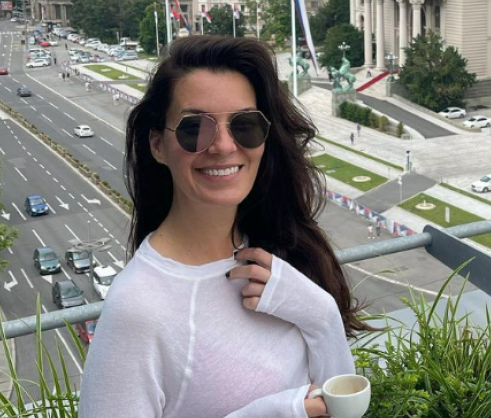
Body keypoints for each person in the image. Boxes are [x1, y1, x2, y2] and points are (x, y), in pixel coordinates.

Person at [79, 35, 370, 418]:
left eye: (245, 125)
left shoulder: (279, 257)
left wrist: (320, 313)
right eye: (194, 127)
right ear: (157, 145)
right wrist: (271, 413)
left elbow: (343, 409)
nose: (222, 146)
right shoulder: (139, 308)